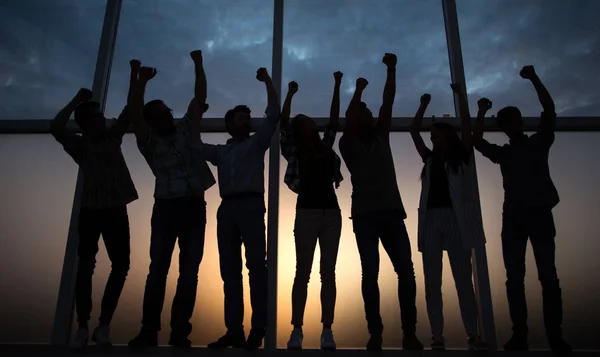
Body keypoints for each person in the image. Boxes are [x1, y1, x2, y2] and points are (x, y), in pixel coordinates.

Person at [472, 65, 571, 356]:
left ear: (517, 123)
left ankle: (551, 336)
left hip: (535, 216)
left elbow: (549, 110)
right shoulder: (509, 152)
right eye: (507, 122)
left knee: (545, 277)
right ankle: (524, 335)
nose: (511, 126)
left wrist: (534, 79)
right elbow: (477, 142)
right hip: (516, 218)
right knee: (519, 277)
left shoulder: (536, 143)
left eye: (513, 121)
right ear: (505, 126)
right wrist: (480, 112)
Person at [127, 50, 215, 349]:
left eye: (168, 110)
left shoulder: (184, 127)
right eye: (164, 112)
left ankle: (180, 332)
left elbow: (199, 94)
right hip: (166, 209)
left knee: (189, 273)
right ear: (152, 120)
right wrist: (140, 81)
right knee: (158, 272)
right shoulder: (148, 141)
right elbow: (135, 110)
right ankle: (149, 330)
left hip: (193, 207)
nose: (169, 114)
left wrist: (198, 65)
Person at [50, 59, 140, 350]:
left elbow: (129, 109)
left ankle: (102, 325)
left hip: (114, 209)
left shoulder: (113, 137)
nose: (101, 119)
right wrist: (77, 98)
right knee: (86, 266)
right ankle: (84, 325)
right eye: (95, 116)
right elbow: (56, 126)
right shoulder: (81, 145)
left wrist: (135, 76)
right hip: (92, 211)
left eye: (100, 115)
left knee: (120, 265)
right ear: (86, 122)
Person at [338, 53, 422, 351]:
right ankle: (376, 332)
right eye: (365, 112)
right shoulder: (347, 142)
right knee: (370, 273)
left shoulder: (381, 136)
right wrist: (358, 90)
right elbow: (349, 118)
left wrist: (391, 69)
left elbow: (388, 101)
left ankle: (409, 332)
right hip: (365, 215)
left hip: (390, 213)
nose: (371, 114)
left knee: (406, 271)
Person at [197, 67, 280, 351]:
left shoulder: (257, 144)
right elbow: (192, 145)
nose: (247, 121)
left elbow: (273, 113)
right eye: (241, 118)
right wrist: (196, 111)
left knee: (257, 267)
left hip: (251, 206)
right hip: (228, 210)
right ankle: (234, 331)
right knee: (229, 271)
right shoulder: (221, 152)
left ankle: (258, 328)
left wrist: (268, 81)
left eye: (248, 118)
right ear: (230, 125)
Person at [409, 85, 488, 351]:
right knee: (433, 281)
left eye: (437, 136)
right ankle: (437, 336)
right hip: (432, 220)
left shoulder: (461, 157)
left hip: (455, 220)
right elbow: (413, 131)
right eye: (432, 137)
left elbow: (467, 129)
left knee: (463, 279)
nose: (432, 140)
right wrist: (422, 105)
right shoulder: (429, 160)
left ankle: (473, 334)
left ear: (447, 137)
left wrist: (463, 101)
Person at [280, 73, 344, 351]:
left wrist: (337, 85)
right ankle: (297, 330)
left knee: (328, 272)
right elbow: (282, 125)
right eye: (303, 121)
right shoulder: (294, 149)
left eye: (308, 120)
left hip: (331, 213)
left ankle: (327, 330)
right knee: (302, 272)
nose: (309, 122)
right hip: (306, 213)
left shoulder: (325, 147)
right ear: (298, 128)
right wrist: (290, 95)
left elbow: (333, 119)